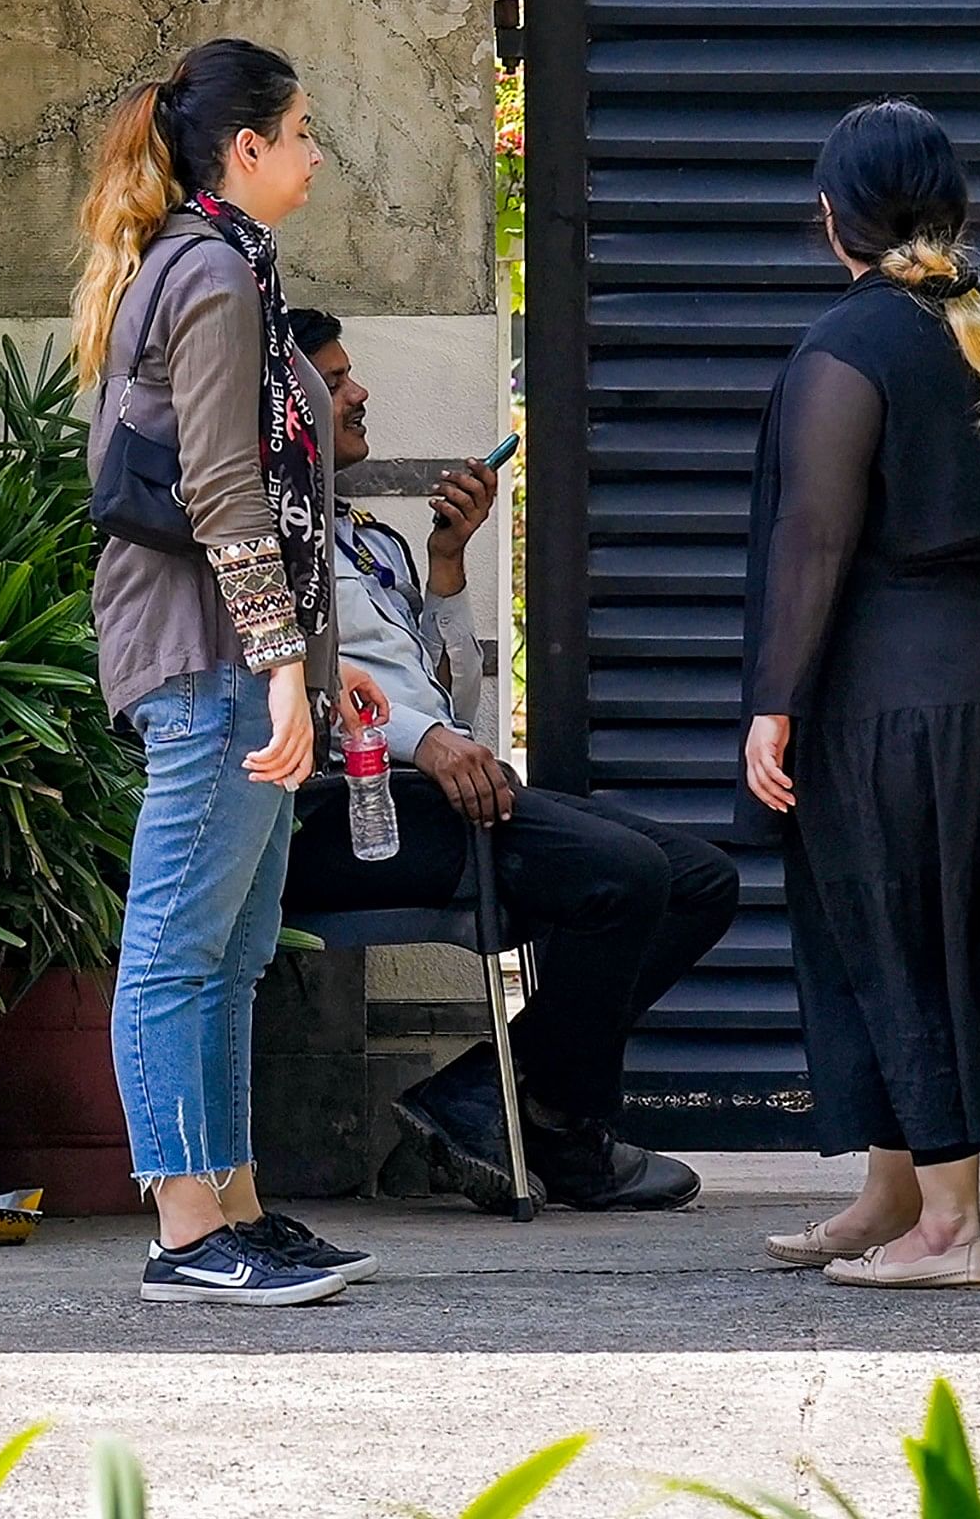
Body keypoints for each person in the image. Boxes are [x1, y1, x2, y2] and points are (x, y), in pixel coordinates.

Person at [277, 307, 737, 1213]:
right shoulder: (265, 543)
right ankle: (560, 1129)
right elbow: (292, 690)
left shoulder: (371, 539)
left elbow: (456, 713)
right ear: (287, 411)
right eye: (334, 385)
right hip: (340, 813)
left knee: (699, 878)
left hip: (425, 795)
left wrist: (447, 566)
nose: (360, 394)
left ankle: (490, 1094)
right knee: (623, 874)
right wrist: (426, 742)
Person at [77, 37, 392, 1307]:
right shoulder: (208, 272)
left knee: (230, 948)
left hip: (243, 656)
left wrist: (320, 668)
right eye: (302, 131)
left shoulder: (226, 265)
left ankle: (238, 1208)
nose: (316, 154)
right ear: (245, 149)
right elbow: (218, 489)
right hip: (209, 658)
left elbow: (275, 501)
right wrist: (277, 666)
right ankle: (187, 1227)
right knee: (175, 945)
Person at [740, 99, 980, 1291]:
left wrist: (773, 698)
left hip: (887, 698)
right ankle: (894, 1193)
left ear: (832, 219)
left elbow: (813, 540)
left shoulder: (844, 349)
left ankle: (951, 1231)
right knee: (958, 940)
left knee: (893, 939)